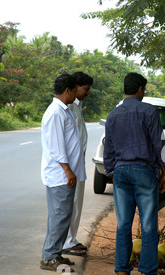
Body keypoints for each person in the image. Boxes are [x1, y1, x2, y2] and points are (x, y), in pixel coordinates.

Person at [103, 72, 165, 275]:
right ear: (140, 89)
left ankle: (122, 272)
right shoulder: (149, 111)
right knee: (148, 225)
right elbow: (159, 145)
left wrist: (113, 171)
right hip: (144, 172)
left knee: (123, 224)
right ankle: (148, 274)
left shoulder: (113, 115)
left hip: (121, 173)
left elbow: (108, 150)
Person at [40, 74, 86, 272]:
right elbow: (57, 147)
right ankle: (49, 256)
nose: (77, 94)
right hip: (60, 175)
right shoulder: (56, 113)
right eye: (75, 90)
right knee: (60, 215)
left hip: (64, 174)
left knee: (62, 215)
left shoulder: (63, 111)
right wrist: (68, 170)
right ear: (68, 91)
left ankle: (55, 254)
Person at [62, 72, 93, 257]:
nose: (87, 93)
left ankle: (71, 239)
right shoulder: (67, 108)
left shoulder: (77, 106)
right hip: (71, 163)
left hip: (78, 161)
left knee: (77, 202)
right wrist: (67, 168)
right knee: (69, 203)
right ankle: (66, 241)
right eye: (85, 89)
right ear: (75, 87)